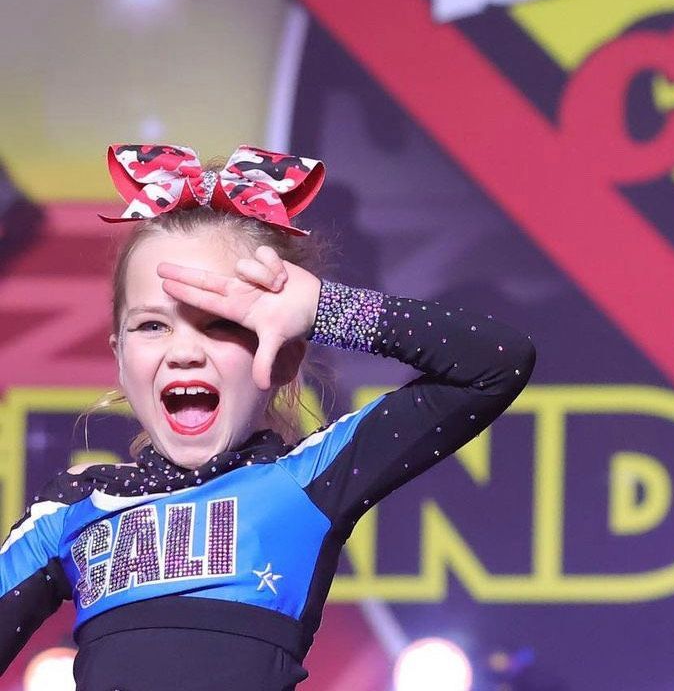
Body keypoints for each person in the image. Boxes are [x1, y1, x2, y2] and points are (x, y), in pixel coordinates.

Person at [0, 143, 535, 689]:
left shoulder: (304, 477)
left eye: (222, 323)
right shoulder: (69, 510)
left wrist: (326, 309)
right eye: (152, 326)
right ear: (119, 356)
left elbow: (494, 364)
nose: (184, 351)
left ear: (281, 354)